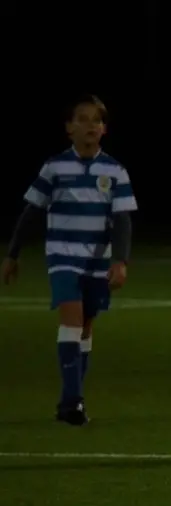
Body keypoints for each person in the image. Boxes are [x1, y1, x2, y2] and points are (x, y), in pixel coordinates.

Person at [1, 94, 137, 425]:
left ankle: (70, 399)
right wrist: (12, 254)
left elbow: (122, 220)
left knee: (86, 326)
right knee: (72, 320)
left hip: (97, 260)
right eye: (83, 119)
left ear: (104, 129)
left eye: (97, 120)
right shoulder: (55, 167)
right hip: (62, 256)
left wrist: (120, 261)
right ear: (68, 128)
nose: (91, 125)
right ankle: (72, 401)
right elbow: (32, 212)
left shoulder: (115, 171)